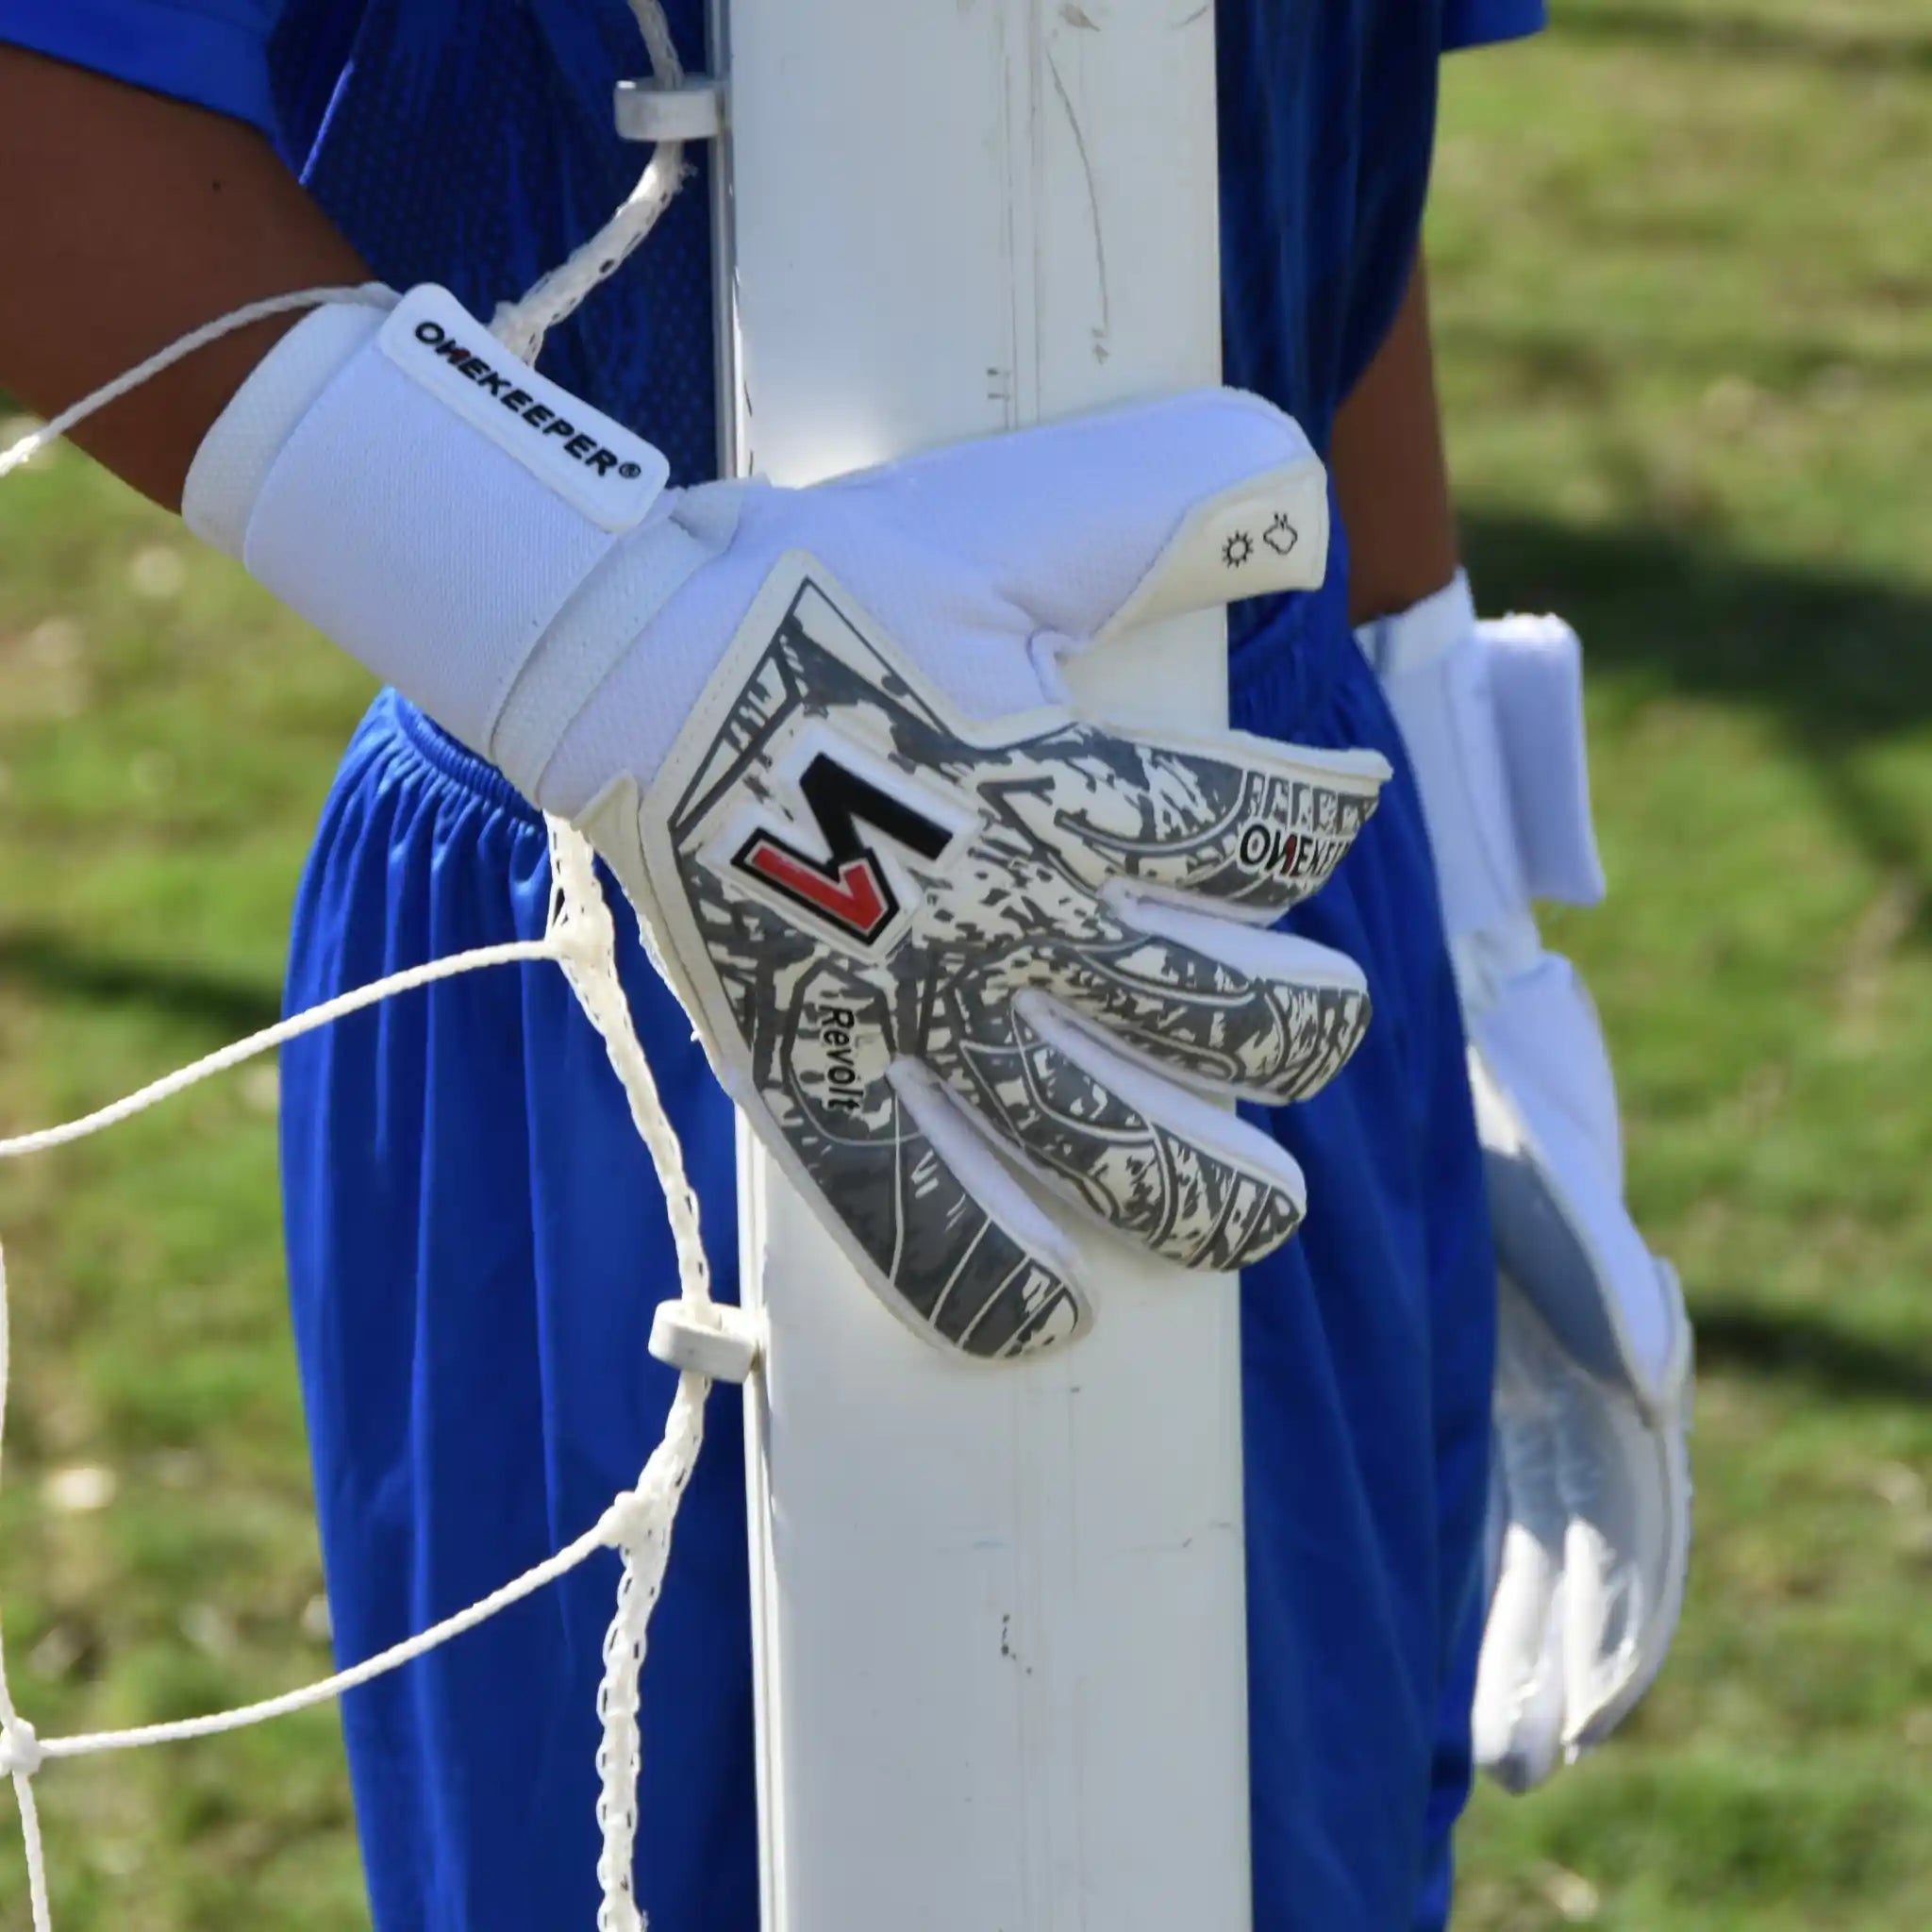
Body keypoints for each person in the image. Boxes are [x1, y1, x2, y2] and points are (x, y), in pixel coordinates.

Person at [0, 2, 1686, 1925]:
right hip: (607, 905)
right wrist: (620, 655)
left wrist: (1472, 880)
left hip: (1251, 852)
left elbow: (1289, 126)